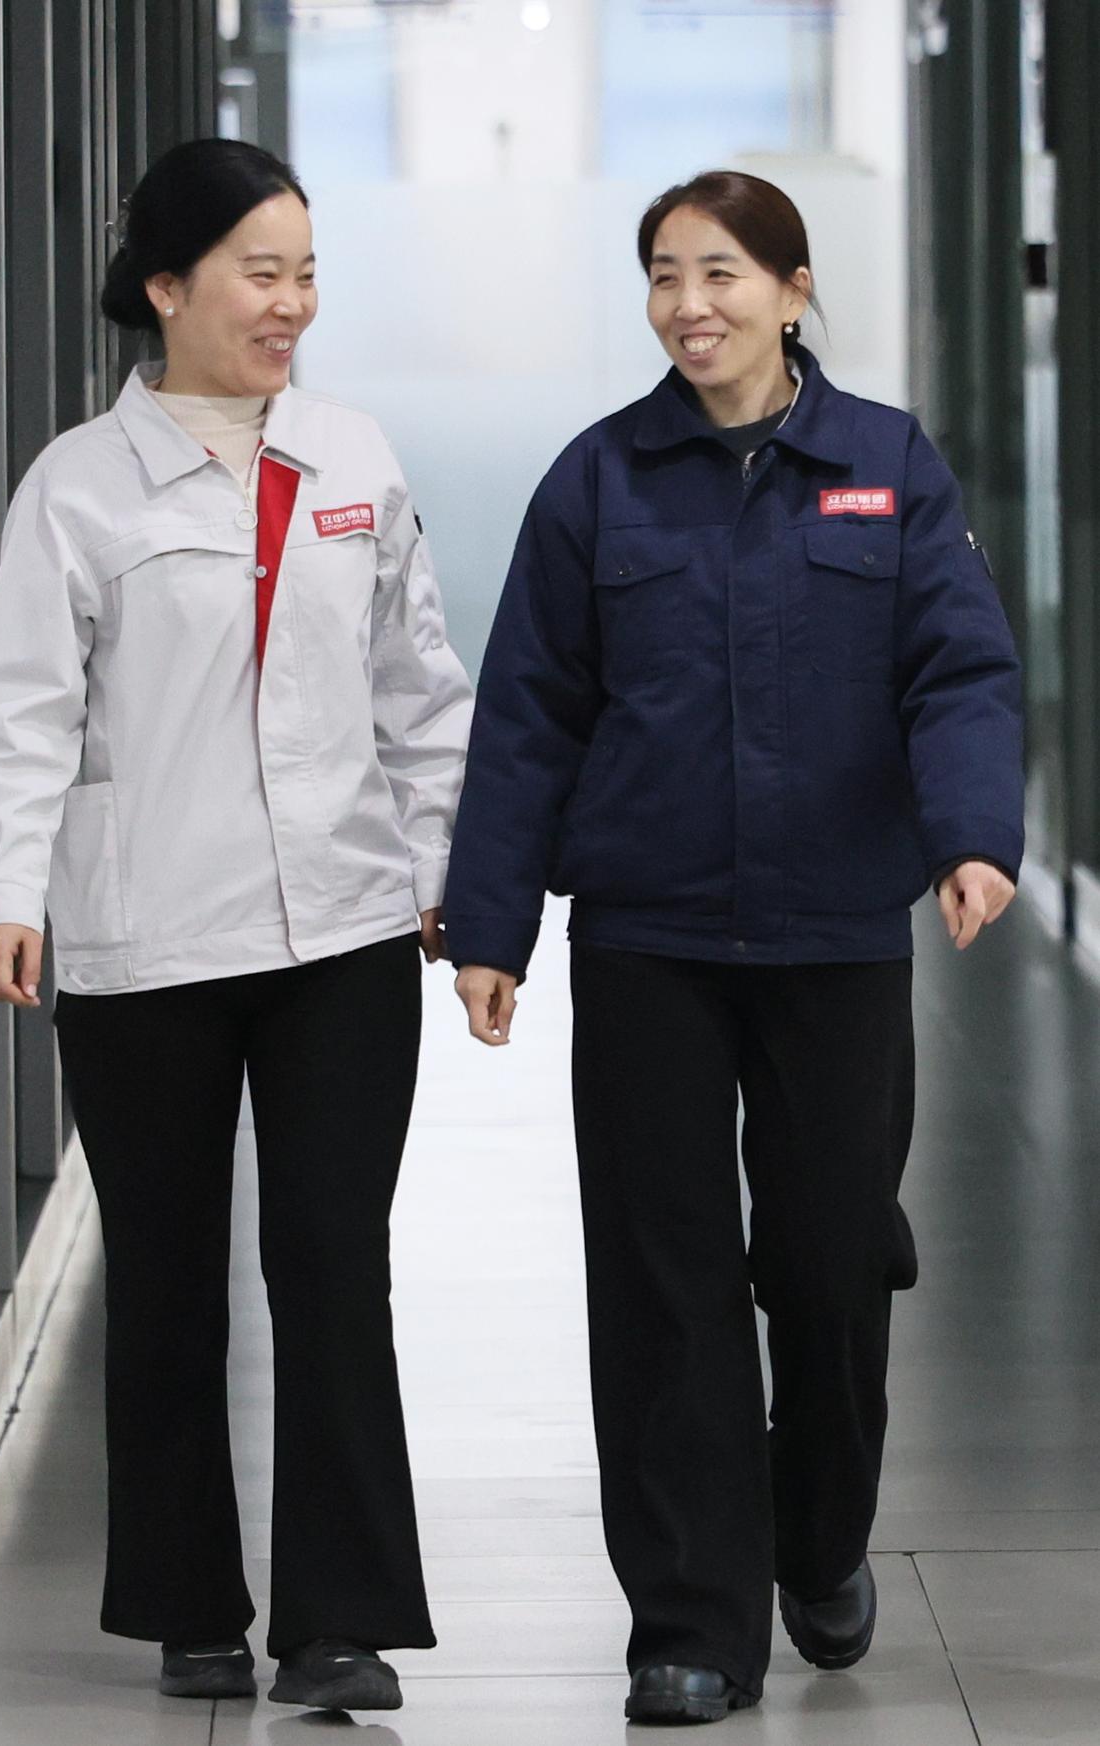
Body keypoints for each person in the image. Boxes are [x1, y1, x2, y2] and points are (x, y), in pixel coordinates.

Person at [443, 170, 1022, 1725]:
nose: (687, 304)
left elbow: (957, 671)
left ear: (789, 287)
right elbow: (529, 713)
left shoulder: (883, 464)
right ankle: (690, 1622)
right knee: (663, 1280)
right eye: (661, 274)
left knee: (829, 1258)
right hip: (651, 935)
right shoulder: (598, 479)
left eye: (718, 272)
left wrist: (970, 835)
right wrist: (492, 924)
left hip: (836, 934)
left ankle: (817, 1534)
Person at [0, 138, 472, 1711]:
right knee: (169, 1279)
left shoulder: (352, 456)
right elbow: (19, 711)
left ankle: (339, 1617)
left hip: (342, 934)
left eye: (306, 273)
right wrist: (2, 891)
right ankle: (188, 1603)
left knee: (333, 1268)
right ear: (168, 287)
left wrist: (443, 861)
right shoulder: (79, 485)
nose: (291, 303)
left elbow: (419, 687)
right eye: (261, 272)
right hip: (149, 938)